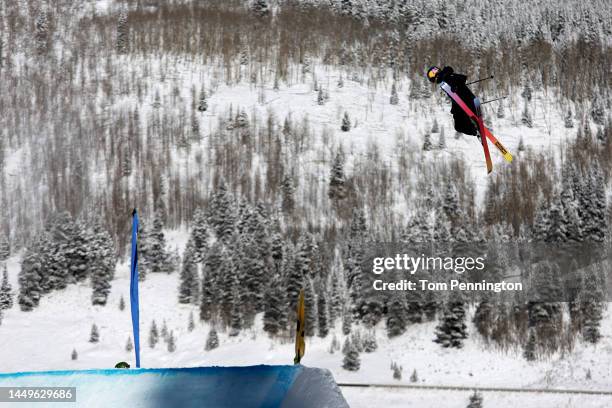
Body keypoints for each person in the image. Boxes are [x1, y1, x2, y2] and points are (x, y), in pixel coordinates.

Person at [427, 66, 479, 136]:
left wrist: (454, 86)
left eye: (433, 72)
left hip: (467, 102)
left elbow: (460, 79)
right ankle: (475, 130)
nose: (433, 74)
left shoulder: (447, 76)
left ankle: (475, 129)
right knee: (459, 126)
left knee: (459, 126)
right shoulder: (445, 80)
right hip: (464, 104)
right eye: (431, 74)